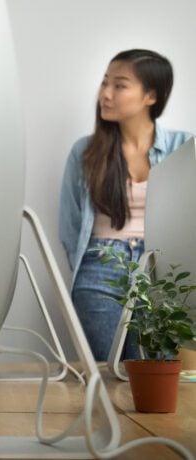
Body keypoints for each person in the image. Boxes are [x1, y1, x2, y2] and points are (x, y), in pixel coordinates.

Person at [59, 49, 193, 362]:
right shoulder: (85, 151)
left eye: (120, 85)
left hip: (163, 269)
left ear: (150, 96)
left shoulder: (183, 147)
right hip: (100, 268)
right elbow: (70, 225)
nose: (105, 93)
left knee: (160, 373)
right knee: (112, 371)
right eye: (105, 83)